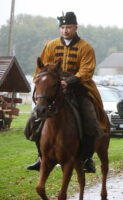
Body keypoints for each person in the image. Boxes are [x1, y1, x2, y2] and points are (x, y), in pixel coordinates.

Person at [25, 12, 109, 173]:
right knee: (34, 120)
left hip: (78, 88)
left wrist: (68, 81)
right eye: (62, 27)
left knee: (91, 121)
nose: (65, 30)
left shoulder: (86, 47)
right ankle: (41, 156)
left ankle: (86, 158)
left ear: (75, 28)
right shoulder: (50, 45)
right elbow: (41, 67)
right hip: (53, 89)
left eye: (68, 27)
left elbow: (87, 70)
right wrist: (42, 82)